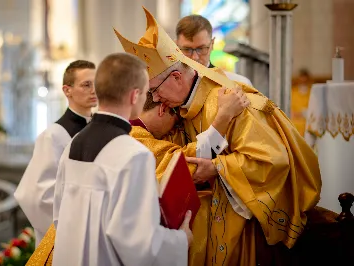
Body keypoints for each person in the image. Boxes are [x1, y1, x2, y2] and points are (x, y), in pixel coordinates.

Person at [115, 7, 321, 266]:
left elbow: (273, 161)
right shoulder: (182, 110)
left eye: (155, 90)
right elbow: (178, 159)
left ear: (177, 77)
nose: (155, 99)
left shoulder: (232, 102)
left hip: (239, 234)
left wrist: (218, 167)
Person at [51, 53, 193, 266]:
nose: (150, 99)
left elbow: (59, 217)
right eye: (147, 93)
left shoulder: (75, 143)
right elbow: (139, 244)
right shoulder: (134, 155)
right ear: (135, 96)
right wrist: (181, 240)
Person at [129, 90, 248, 266]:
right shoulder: (134, 135)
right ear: (162, 108)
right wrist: (224, 116)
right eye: (176, 122)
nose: (174, 130)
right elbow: (183, 162)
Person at [14, 60, 97, 246]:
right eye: (86, 85)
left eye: (96, 84)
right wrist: (76, 220)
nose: (94, 90)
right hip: (67, 236)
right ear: (67, 90)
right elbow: (37, 196)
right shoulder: (53, 135)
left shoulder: (99, 129)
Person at [175, 14, 253, 86]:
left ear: (212, 44)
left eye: (201, 48)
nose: (195, 57)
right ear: (176, 46)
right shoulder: (165, 87)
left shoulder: (239, 84)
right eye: (187, 49)